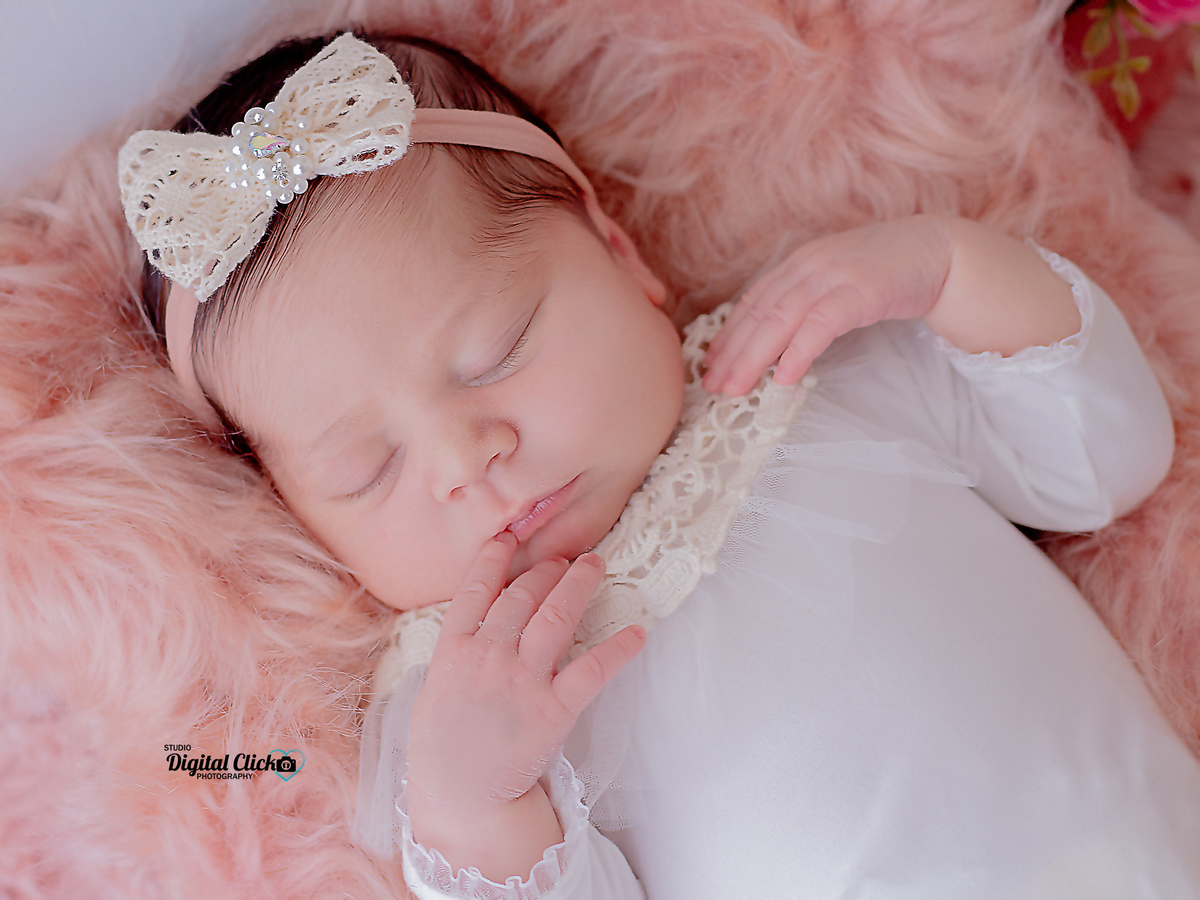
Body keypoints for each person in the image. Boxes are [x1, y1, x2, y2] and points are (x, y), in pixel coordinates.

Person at [118, 32, 1200, 900]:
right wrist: (477, 810)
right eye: (367, 469)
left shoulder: (798, 370)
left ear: (619, 248)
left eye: (499, 351)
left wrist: (948, 267)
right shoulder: (463, 709)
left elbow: (1105, 465)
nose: (464, 459)